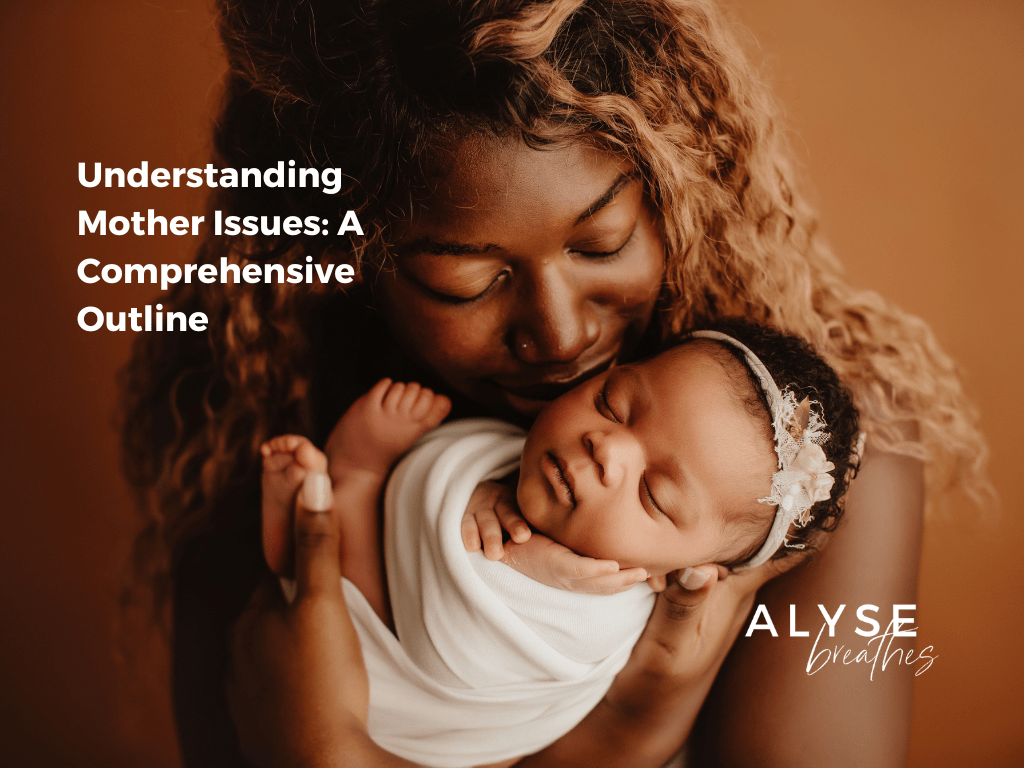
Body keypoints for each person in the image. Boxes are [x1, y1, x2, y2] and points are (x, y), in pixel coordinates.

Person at [120, 1, 989, 766]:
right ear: (349, 262)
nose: (562, 333)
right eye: (466, 281)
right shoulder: (268, 478)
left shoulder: (809, 475)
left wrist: (328, 750)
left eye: (602, 242)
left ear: (674, 188)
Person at [255, 323, 862, 767]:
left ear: (682, 571)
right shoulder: (518, 460)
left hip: (399, 701)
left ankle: (352, 484)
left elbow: (468, 636)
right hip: (332, 656)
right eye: (613, 403)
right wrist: (483, 494)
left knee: (375, 587)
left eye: (655, 497)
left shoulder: (602, 618)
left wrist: (522, 559)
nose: (608, 449)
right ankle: (334, 516)